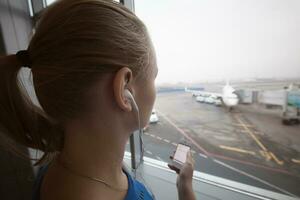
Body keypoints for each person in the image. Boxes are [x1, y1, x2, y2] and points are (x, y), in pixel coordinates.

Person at [0, 0, 196, 199]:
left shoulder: (58, 170)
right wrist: (186, 189)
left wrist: (183, 181)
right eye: (153, 76)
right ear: (125, 89)